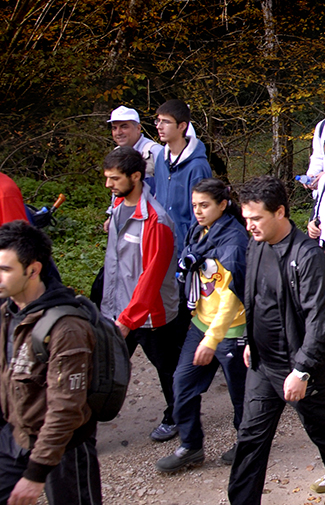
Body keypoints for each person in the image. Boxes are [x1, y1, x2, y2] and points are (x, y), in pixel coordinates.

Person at [228, 176, 325, 505]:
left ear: (280, 212)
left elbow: (320, 322)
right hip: (263, 364)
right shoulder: (256, 245)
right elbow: (255, 300)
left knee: (321, 428)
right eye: (246, 219)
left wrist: (302, 370)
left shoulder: (307, 257)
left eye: (256, 218)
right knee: (250, 436)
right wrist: (251, 340)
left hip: (301, 366)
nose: (249, 226)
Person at [0, 221, 101, 505]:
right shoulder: (7, 313)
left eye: (5, 270)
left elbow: (67, 408)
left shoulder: (66, 327)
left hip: (65, 451)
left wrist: (36, 474)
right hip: (15, 438)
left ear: (33, 270)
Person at [156, 178, 248, 472]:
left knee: (240, 394)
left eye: (204, 205)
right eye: (195, 205)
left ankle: (247, 443)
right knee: (182, 383)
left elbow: (232, 297)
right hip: (200, 322)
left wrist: (212, 339)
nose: (198, 211)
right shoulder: (199, 231)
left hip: (230, 329)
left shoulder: (234, 243)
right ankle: (190, 445)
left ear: (223, 205)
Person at [101, 146, 187, 443]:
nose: (109, 185)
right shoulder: (117, 209)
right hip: (121, 308)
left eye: (114, 179)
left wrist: (128, 319)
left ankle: (178, 416)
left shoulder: (157, 221)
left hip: (150, 314)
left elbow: (151, 277)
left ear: (135, 177)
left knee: (167, 368)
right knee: (106, 365)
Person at [155, 99, 213, 251]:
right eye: (158, 121)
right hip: (161, 243)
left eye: (165, 122)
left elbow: (200, 216)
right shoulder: (161, 157)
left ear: (182, 126)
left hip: (184, 248)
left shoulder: (198, 167)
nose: (159, 127)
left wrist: (191, 249)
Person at [110, 105, 165, 193]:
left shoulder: (155, 152)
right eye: (114, 128)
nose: (118, 132)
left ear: (138, 128)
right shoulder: (115, 154)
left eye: (124, 127)